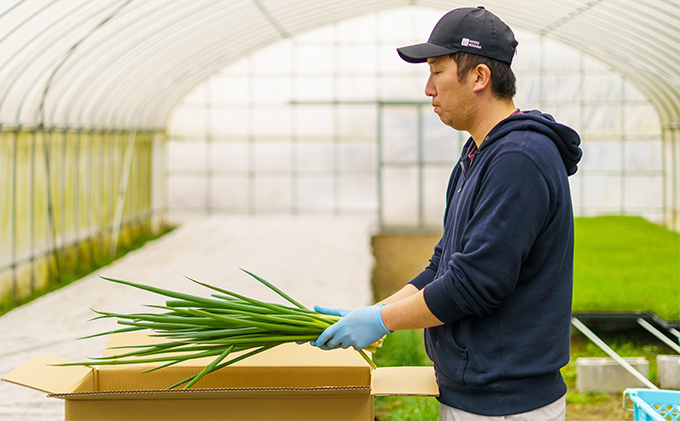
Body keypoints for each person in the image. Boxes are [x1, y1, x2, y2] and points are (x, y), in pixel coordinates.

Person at [311, 6, 582, 420]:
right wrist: (372, 312)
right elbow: (445, 264)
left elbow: (473, 284)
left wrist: (383, 321)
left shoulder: (519, 160)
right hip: (472, 392)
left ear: (478, 77)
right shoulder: (479, 153)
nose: (427, 89)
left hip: (506, 405)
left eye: (437, 72)